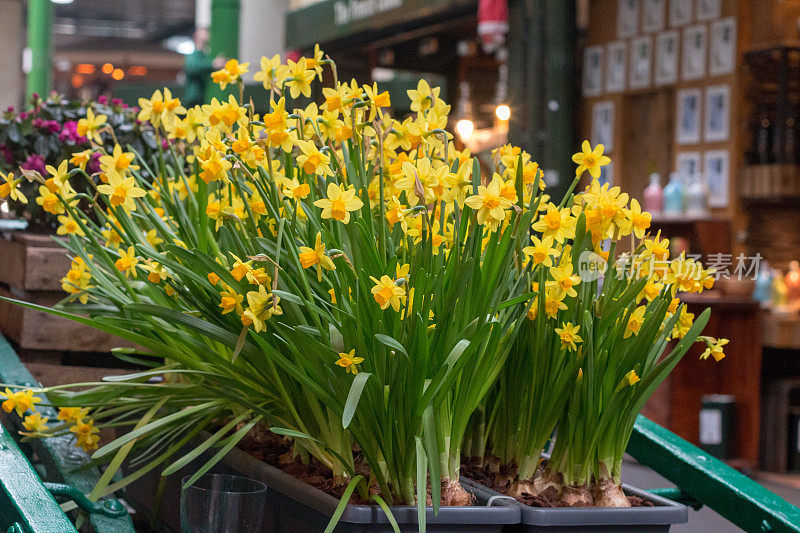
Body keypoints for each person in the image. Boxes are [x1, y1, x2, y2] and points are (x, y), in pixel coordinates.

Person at [183, 27, 225, 107]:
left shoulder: (203, 56)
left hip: (201, 97)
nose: (207, 34)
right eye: (203, 32)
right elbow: (194, 67)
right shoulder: (193, 55)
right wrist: (213, 64)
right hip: (193, 98)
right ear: (196, 36)